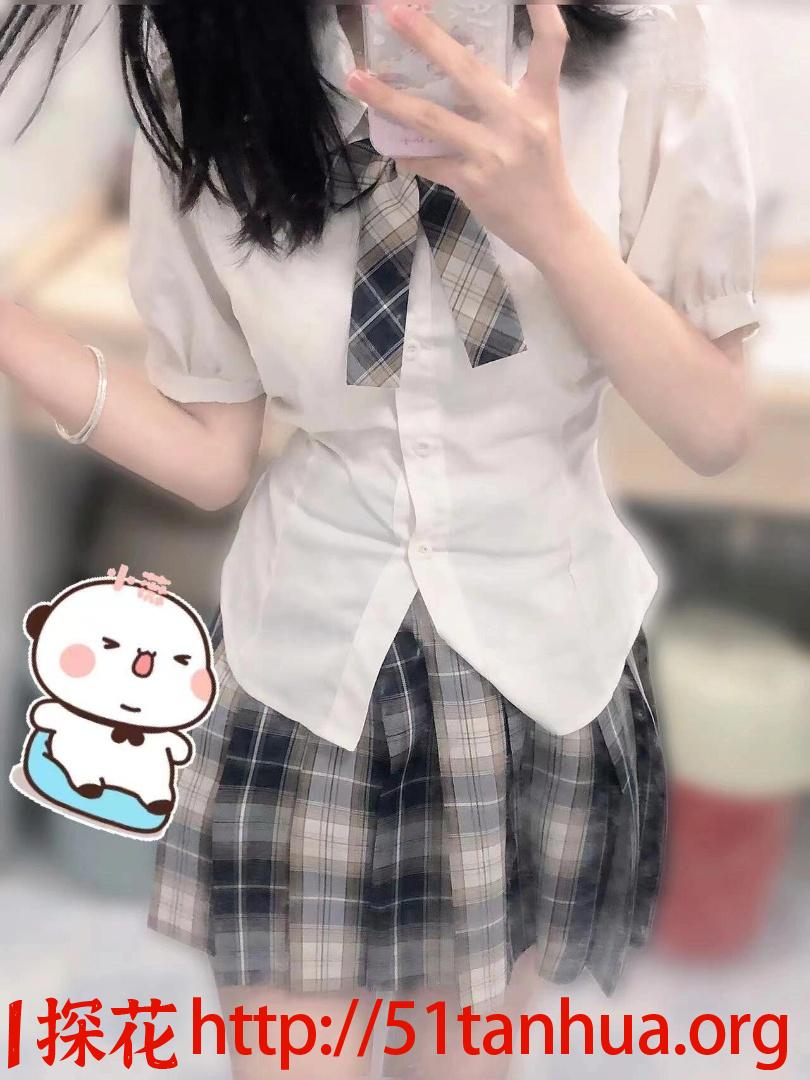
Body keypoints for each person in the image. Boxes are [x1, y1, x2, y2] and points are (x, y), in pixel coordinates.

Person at [0, 3, 760, 1078]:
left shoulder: (642, 38)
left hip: (538, 672)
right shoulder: (211, 58)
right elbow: (212, 452)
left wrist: (547, 217)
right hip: (309, 671)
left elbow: (715, 427)